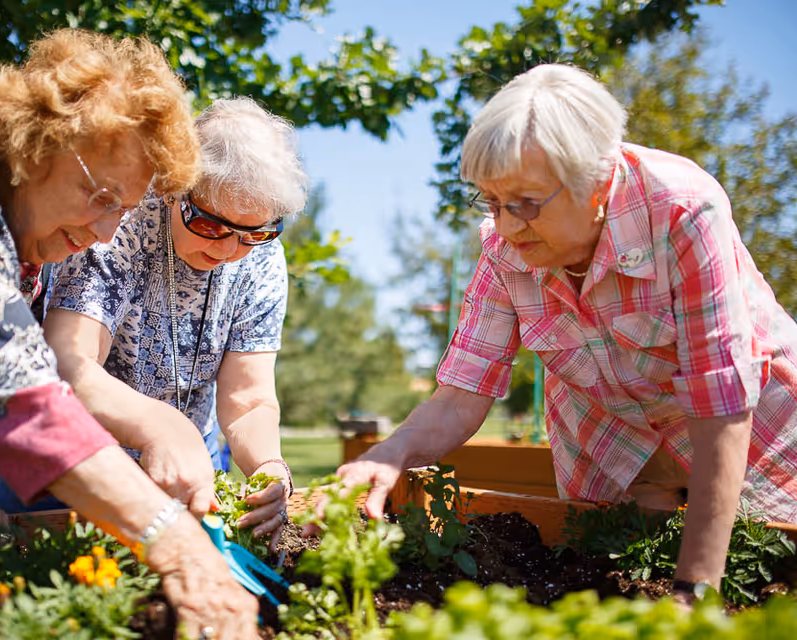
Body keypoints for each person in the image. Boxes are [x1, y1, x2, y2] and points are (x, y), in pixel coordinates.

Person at [0, 28, 258, 638]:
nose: (108, 231)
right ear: (38, 147)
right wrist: (179, 546)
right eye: (104, 196)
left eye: (124, 209)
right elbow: (25, 406)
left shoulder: (18, 227)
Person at [332, 63, 797, 603]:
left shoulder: (683, 209)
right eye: (491, 202)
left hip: (749, 431)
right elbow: (460, 397)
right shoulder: (502, 249)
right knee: (608, 590)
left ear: (596, 182)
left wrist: (696, 591)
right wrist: (388, 454)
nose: (506, 226)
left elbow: (718, 402)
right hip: (611, 443)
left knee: (762, 587)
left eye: (526, 204)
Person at [0, 97, 307, 554]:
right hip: (72, 469)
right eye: (211, 226)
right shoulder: (117, 226)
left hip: (186, 472)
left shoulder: (261, 258)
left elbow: (249, 399)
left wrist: (268, 467)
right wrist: (159, 426)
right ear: (174, 188)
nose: (229, 251)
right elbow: (68, 363)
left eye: (255, 232)